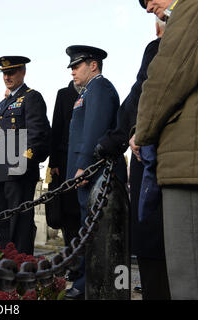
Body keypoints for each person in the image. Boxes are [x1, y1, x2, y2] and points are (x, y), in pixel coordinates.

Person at [94, 5, 171, 299]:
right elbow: (138, 96)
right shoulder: (155, 49)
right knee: (151, 240)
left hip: (165, 158)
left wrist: (139, 130)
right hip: (147, 155)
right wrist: (120, 137)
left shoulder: (166, 45)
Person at [134, 0, 198, 300]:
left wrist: (142, 133)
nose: (148, 7)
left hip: (187, 164)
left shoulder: (190, 8)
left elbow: (165, 78)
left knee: (187, 280)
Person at [65, 45, 127, 299]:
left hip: (97, 171)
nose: (72, 72)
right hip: (90, 172)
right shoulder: (88, 91)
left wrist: (84, 165)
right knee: (87, 227)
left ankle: (89, 281)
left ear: (93, 65)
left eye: (76, 66)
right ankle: (86, 279)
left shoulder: (100, 87)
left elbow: (94, 129)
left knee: (96, 229)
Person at [0, 56, 51, 255]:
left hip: (19, 172)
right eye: (4, 73)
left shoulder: (31, 97)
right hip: (1, 173)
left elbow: (38, 134)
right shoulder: (3, 103)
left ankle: (21, 268)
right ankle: (6, 267)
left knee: (20, 225)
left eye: (12, 72)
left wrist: (24, 162)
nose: (7, 77)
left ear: (23, 72)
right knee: (3, 225)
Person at [48, 80, 81, 248]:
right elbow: (57, 128)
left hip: (88, 161)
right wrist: (53, 163)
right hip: (65, 161)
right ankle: (72, 257)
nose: (73, 71)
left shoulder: (95, 92)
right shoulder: (64, 94)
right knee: (68, 213)